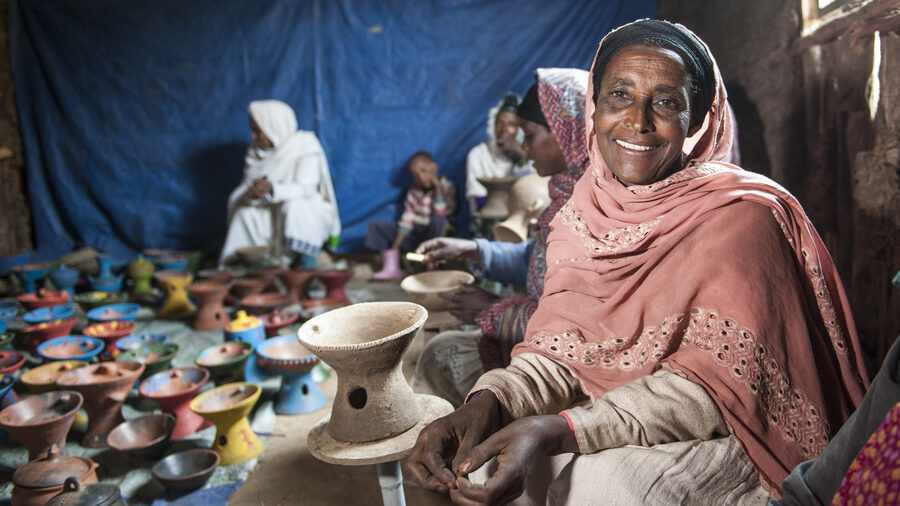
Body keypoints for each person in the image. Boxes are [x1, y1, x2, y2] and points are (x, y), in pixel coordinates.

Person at [405, 19, 869, 505]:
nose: (638, 121)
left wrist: (560, 429)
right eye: (619, 96)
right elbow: (560, 352)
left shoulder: (743, 219)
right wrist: (489, 402)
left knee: (608, 489)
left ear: (698, 119)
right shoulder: (583, 213)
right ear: (594, 108)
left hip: (734, 426)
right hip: (608, 413)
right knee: (486, 463)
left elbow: (712, 394)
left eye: (666, 102)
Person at [410, 68, 590, 407]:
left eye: (529, 134)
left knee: (441, 355)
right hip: (540, 342)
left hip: (573, 369)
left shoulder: (596, 209)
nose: (522, 146)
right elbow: (537, 258)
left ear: (568, 131)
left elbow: (583, 329)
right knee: (438, 350)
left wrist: (492, 310)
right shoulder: (566, 190)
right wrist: (471, 249)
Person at [219, 100, 340, 268]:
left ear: (273, 126)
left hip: (307, 207)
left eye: (257, 130)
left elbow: (306, 188)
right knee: (245, 213)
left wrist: (273, 189)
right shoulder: (255, 152)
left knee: (294, 208)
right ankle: (249, 266)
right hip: (269, 210)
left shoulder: (305, 144)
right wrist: (254, 195)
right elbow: (246, 188)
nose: (253, 136)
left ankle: (306, 265)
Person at [366, 151, 456, 280]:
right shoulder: (414, 191)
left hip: (434, 236)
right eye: (415, 174)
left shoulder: (447, 187)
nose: (420, 177)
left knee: (439, 221)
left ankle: (432, 265)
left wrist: (438, 189)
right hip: (415, 235)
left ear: (434, 167)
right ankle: (392, 266)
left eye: (424, 171)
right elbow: (408, 219)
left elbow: (442, 212)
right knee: (376, 226)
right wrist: (396, 246)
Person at [466, 94, 535, 219]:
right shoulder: (478, 155)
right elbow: (477, 203)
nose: (504, 130)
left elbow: (532, 197)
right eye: (499, 123)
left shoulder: (528, 156)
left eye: (512, 124)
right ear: (492, 126)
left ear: (520, 129)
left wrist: (521, 158)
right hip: (487, 221)